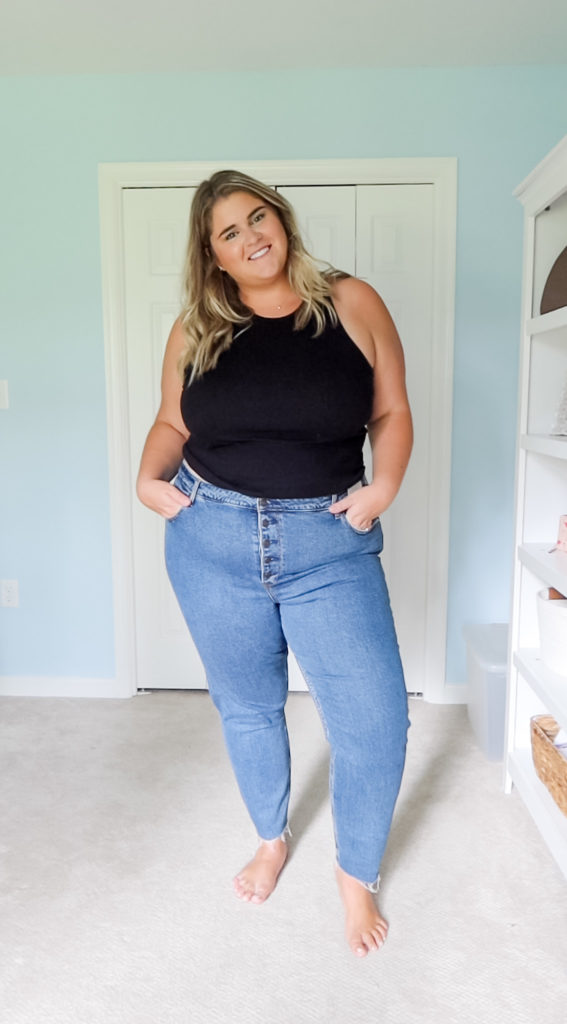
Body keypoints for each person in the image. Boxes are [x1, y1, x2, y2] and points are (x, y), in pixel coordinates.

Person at [136, 170, 412, 958]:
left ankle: (355, 873)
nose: (250, 236)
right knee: (248, 707)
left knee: (374, 721)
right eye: (229, 231)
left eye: (257, 217)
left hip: (327, 540)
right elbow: (169, 421)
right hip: (210, 537)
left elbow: (390, 410)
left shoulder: (349, 301)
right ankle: (270, 837)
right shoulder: (196, 326)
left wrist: (381, 486)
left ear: (280, 219)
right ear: (213, 255)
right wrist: (146, 478)